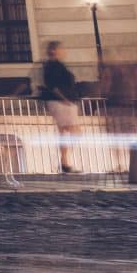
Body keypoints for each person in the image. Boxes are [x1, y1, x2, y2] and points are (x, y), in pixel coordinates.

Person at [40, 41, 84, 174]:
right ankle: (64, 161)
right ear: (54, 51)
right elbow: (53, 86)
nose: (64, 51)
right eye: (61, 49)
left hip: (60, 102)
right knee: (75, 132)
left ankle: (65, 162)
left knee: (64, 133)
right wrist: (65, 100)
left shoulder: (54, 66)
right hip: (61, 103)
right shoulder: (53, 66)